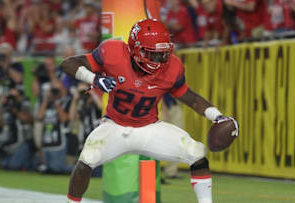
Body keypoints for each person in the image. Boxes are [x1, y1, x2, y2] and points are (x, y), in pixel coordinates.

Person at [61, 19, 239, 203]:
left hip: (149, 128)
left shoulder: (173, 67)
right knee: (87, 159)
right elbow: (68, 63)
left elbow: (191, 98)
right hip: (115, 127)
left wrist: (217, 116)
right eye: (153, 54)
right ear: (135, 48)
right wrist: (94, 79)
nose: (159, 60)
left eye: (163, 54)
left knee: (196, 152)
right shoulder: (113, 52)